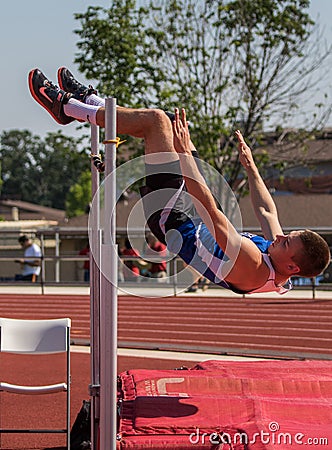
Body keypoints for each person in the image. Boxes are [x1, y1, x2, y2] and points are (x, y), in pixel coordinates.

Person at [28, 68, 331, 295]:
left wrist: (187, 156)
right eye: (287, 235)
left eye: (287, 241)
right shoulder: (282, 261)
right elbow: (267, 212)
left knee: (156, 122)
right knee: (170, 126)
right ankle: (90, 102)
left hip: (172, 218)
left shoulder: (253, 266)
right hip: (191, 210)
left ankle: (67, 108)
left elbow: (215, 216)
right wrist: (251, 167)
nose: (280, 237)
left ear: (293, 266)